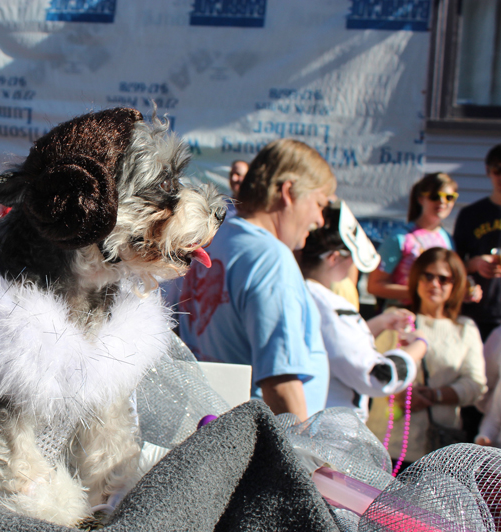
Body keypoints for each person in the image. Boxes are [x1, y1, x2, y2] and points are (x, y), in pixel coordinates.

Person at [178, 139, 333, 421]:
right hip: (255, 433)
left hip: (213, 423)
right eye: (319, 203)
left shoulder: (216, 237)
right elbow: (280, 382)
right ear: (289, 192)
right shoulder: (271, 258)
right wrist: (297, 448)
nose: (320, 219)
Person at [299, 201, 427, 422]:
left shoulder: (300, 294)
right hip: (329, 429)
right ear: (334, 258)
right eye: (351, 257)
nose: (353, 266)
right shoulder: (328, 307)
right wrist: (418, 347)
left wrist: (381, 323)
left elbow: (337, 347)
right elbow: (377, 376)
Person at [368, 248, 487, 467]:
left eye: (443, 279)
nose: (434, 284)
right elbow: (370, 367)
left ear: (456, 284)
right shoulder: (395, 319)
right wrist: (400, 394)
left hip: (437, 452)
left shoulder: (465, 328)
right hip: (385, 444)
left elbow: (476, 384)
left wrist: (435, 395)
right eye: (428, 276)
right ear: (416, 278)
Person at [367, 172, 457, 305]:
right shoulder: (401, 238)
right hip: (403, 312)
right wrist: (419, 293)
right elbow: (374, 286)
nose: (442, 202)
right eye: (435, 196)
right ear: (421, 199)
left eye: (449, 197)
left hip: (434, 314)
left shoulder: (447, 239)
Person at [454, 144, 501, 342]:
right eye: (498, 170)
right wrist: (474, 264)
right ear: (488, 171)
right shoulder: (471, 214)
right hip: (474, 312)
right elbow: (452, 265)